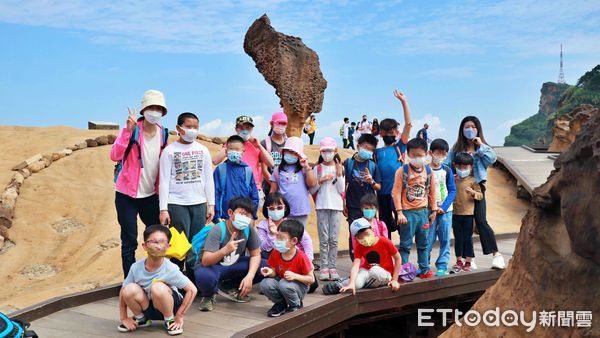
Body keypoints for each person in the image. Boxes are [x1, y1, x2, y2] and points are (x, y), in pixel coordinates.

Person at [111, 89, 169, 277]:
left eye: (158, 108)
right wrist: (127, 132)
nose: (155, 111)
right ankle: (130, 281)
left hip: (151, 195)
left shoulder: (164, 134)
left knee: (157, 237)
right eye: (151, 107)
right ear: (144, 109)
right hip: (126, 195)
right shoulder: (132, 130)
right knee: (129, 240)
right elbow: (115, 155)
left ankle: (154, 275)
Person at [158, 112, 215, 278]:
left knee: (196, 244)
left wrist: (210, 204)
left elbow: (208, 179)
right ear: (178, 128)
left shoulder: (203, 150)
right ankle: (176, 282)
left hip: (198, 203)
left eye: (195, 127)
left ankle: (194, 280)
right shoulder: (169, 151)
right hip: (176, 204)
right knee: (178, 245)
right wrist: (163, 208)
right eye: (188, 127)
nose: (192, 130)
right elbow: (164, 181)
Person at [446, 116, 505, 269]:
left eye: (473, 126)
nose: (470, 129)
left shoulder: (482, 149)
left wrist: (481, 146)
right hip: (460, 189)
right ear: (462, 129)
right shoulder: (456, 148)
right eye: (467, 126)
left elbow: (492, 160)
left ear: (478, 129)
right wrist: (450, 175)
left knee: (480, 220)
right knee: (464, 224)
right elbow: (447, 164)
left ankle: (496, 255)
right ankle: (468, 258)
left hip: (477, 187)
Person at [118, 225, 197, 336]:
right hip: (148, 306)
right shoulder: (136, 267)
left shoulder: (171, 268)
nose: (159, 246)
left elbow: (192, 290)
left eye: (163, 242)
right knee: (129, 288)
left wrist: (180, 315)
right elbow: (123, 290)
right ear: (145, 246)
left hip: (170, 306)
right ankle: (142, 319)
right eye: (154, 242)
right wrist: (124, 317)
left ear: (168, 246)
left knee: (158, 286)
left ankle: (169, 320)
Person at [194, 197, 268, 311]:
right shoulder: (218, 229)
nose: (245, 218)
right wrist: (225, 250)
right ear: (230, 212)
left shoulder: (248, 229)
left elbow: (256, 254)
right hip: (213, 267)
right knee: (205, 276)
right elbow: (205, 260)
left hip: (234, 264)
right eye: (242, 214)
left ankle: (230, 287)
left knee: (265, 267)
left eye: (248, 215)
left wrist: (250, 277)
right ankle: (208, 295)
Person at [392, 138, 437, 279]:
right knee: (405, 244)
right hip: (407, 213)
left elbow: (432, 192)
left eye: (420, 155)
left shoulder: (429, 171)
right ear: (407, 154)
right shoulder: (402, 171)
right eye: (413, 155)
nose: (417, 158)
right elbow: (396, 192)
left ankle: (424, 269)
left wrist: (434, 210)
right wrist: (399, 212)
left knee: (423, 243)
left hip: (423, 212)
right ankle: (403, 271)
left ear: (426, 154)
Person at [322, 218, 401, 295]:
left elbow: (398, 258)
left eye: (367, 234)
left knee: (375, 271)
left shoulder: (384, 241)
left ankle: (344, 282)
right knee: (357, 283)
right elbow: (356, 266)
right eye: (360, 237)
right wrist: (352, 283)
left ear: (372, 230)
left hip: (384, 274)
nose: (365, 239)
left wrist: (395, 280)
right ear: (356, 239)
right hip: (366, 272)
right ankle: (343, 284)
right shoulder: (359, 246)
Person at [212, 116, 274, 209]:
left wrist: (259, 145)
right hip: (232, 187)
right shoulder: (231, 144)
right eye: (241, 127)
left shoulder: (255, 145)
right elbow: (215, 161)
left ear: (252, 129)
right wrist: (230, 146)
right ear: (236, 129)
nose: (245, 130)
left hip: (254, 188)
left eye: (248, 128)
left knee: (251, 218)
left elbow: (271, 163)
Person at [374, 90, 412, 241]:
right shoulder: (376, 152)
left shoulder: (400, 147)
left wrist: (404, 101)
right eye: (386, 131)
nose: (389, 133)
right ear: (381, 133)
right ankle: (387, 258)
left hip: (399, 193)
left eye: (392, 131)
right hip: (382, 194)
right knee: (384, 227)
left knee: (403, 226)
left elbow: (408, 124)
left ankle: (403, 258)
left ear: (396, 132)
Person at [260, 219, 315, 317]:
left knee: (284, 284)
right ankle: (281, 304)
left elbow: (311, 279)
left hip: (298, 287)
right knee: (265, 284)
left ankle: (295, 305)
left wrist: (295, 276)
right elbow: (274, 272)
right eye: (277, 237)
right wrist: (269, 272)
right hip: (283, 282)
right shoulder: (276, 252)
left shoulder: (301, 257)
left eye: (281, 238)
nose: (277, 241)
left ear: (294, 241)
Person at [343, 133, 381, 260]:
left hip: (369, 207)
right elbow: (343, 184)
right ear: (358, 146)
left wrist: (371, 181)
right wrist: (343, 203)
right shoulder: (348, 163)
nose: (368, 151)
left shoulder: (373, 166)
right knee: (354, 234)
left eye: (371, 149)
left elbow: (378, 187)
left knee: (370, 233)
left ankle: (370, 261)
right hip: (353, 206)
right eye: (366, 147)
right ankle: (356, 261)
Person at [312, 137, 345, 281]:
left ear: (335, 151)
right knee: (324, 239)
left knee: (334, 239)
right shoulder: (317, 168)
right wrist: (320, 180)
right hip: (321, 206)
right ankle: (324, 267)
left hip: (336, 206)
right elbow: (312, 188)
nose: (327, 153)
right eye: (324, 151)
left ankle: (333, 267)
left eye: (329, 150)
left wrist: (339, 175)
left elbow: (341, 189)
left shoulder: (340, 167)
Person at [269, 137, 317, 228]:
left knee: (300, 237)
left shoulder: (303, 169)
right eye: (288, 151)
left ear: (299, 155)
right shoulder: (277, 170)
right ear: (283, 152)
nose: (290, 154)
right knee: (284, 236)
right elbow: (273, 191)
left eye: (294, 152)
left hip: (301, 211)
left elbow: (312, 184)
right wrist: (271, 208)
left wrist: (307, 168)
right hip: (282, 212)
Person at [427, 139, 456, 276]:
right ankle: (424, 265)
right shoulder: (425, 170)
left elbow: (452, 191)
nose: (441, 156)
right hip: (429, 211)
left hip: (446, 212)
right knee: (428, 239)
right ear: (431, 153)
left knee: (445, 239)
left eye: (444, 153)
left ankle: (442, 265)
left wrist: (443, 207)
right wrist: (432, 207)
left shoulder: (447, 170)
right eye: (438, 153)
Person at [213, 135, 260, 222]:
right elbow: (216, 194)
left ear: (243, 151)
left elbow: (254, 196)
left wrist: (252, 215)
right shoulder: (220, 170)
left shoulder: (247, 170)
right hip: (224, 218)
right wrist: (217, 216)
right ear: (226, 151)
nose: (234, 152)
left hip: (244, 218)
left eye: (237, 150)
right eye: (231, 149)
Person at [450, 153, 483, 274]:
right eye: (460, 167)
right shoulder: (453, 179)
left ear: (471, 167)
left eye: (465, 167)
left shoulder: (473, 181)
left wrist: (473, 193)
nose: (462, 169)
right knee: (458, 238)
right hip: (455, 214)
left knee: (467, 239)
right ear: (455, 166)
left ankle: (468, 262)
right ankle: (458, 261)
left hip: (469, 215)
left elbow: (480, 195)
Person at [257, 192, 314, 261]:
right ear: (267, 209)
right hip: (271, 258)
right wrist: (272, 234)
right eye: (272, 208)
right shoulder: (262, 225)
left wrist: (308, 260)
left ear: (285, 208)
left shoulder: (291, 223)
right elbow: (262, 248)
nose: (276, 210)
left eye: (279, 207)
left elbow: (306, 241)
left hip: (292, 257)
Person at [261, 112, 288, 197]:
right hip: (269, 188)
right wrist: (275, 185)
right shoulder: (265, 143)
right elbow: (264, 170)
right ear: (272, 124)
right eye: (278, 123)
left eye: (283, 123)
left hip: (287, 187)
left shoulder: (289, 143)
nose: (281, 126)